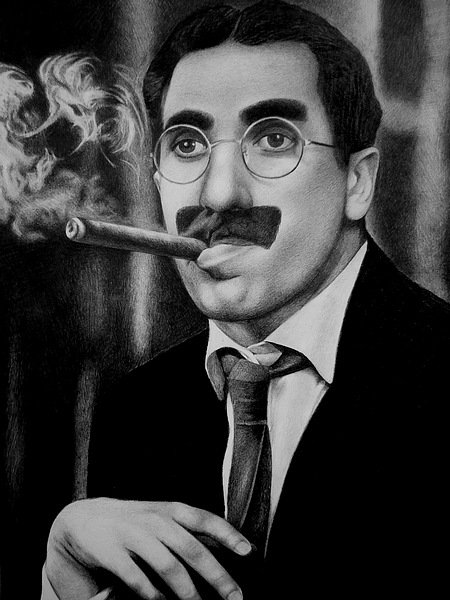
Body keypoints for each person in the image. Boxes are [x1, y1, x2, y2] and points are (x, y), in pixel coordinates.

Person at [42, 2, 449, 599]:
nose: (219, 193)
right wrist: (64, 580)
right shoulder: (139, 409)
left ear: (357, 181)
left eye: (275, 139)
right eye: (187, 144)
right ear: (156, 179)